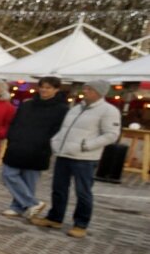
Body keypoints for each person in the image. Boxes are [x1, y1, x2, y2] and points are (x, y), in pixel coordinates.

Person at [31, 79, 122, 239]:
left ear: (99, 92)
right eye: (85, 88)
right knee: (58, 189)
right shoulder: (76, 108)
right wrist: (56, 142)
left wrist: (86, 145)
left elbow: (111, 135)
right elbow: (64, 129)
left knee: (83, 192)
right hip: (64, 154)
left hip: (85, 158)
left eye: (89, 89)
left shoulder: (108, 110)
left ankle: (81, 224)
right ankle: (55, 218)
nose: (85, 91)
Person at [0, 77, 69, 218]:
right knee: (8, 174)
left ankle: (18, 207)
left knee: (29, 180)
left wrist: (47, 143)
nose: (44, 90)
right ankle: (32, 203)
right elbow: (16, 123)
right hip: (18, 145)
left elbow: (59, 130)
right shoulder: (27, 104)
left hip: (40, 148)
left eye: (49, 87)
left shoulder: (62, 109)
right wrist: (12, 137)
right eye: (42, 86)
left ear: (56, 89)